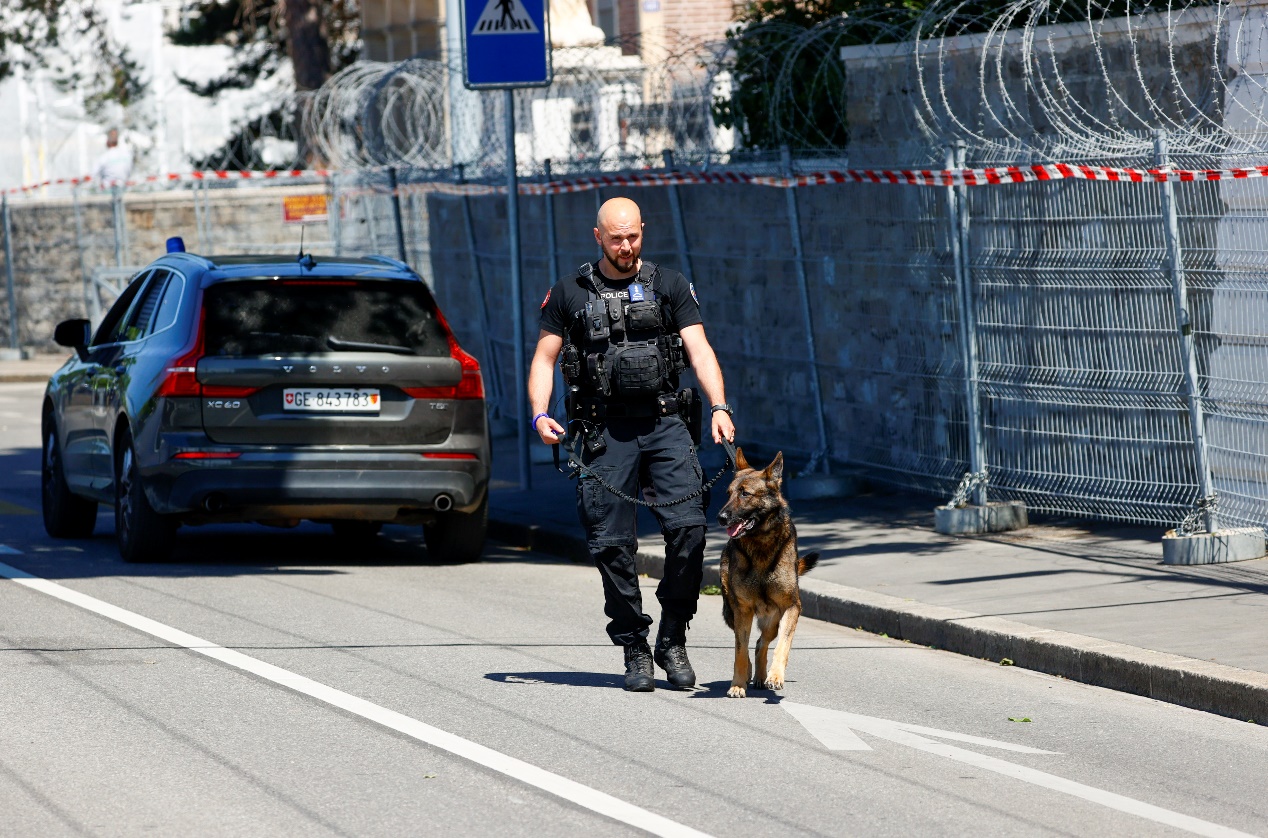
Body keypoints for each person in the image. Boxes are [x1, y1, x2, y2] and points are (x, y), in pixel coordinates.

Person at [528, 196, 736, 692]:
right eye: (616, 238)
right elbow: (544, 358)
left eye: (633, 236)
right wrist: (539, 413)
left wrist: (719, 406)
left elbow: (699, 348)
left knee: (689, 531)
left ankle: (672, 636)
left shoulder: (670, 285)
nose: (626, 246)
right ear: (597, 236)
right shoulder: (570, 292)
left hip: (665, 424)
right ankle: (635, 647)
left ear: (643, 229)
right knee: (611, 544)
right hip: (604, 430)